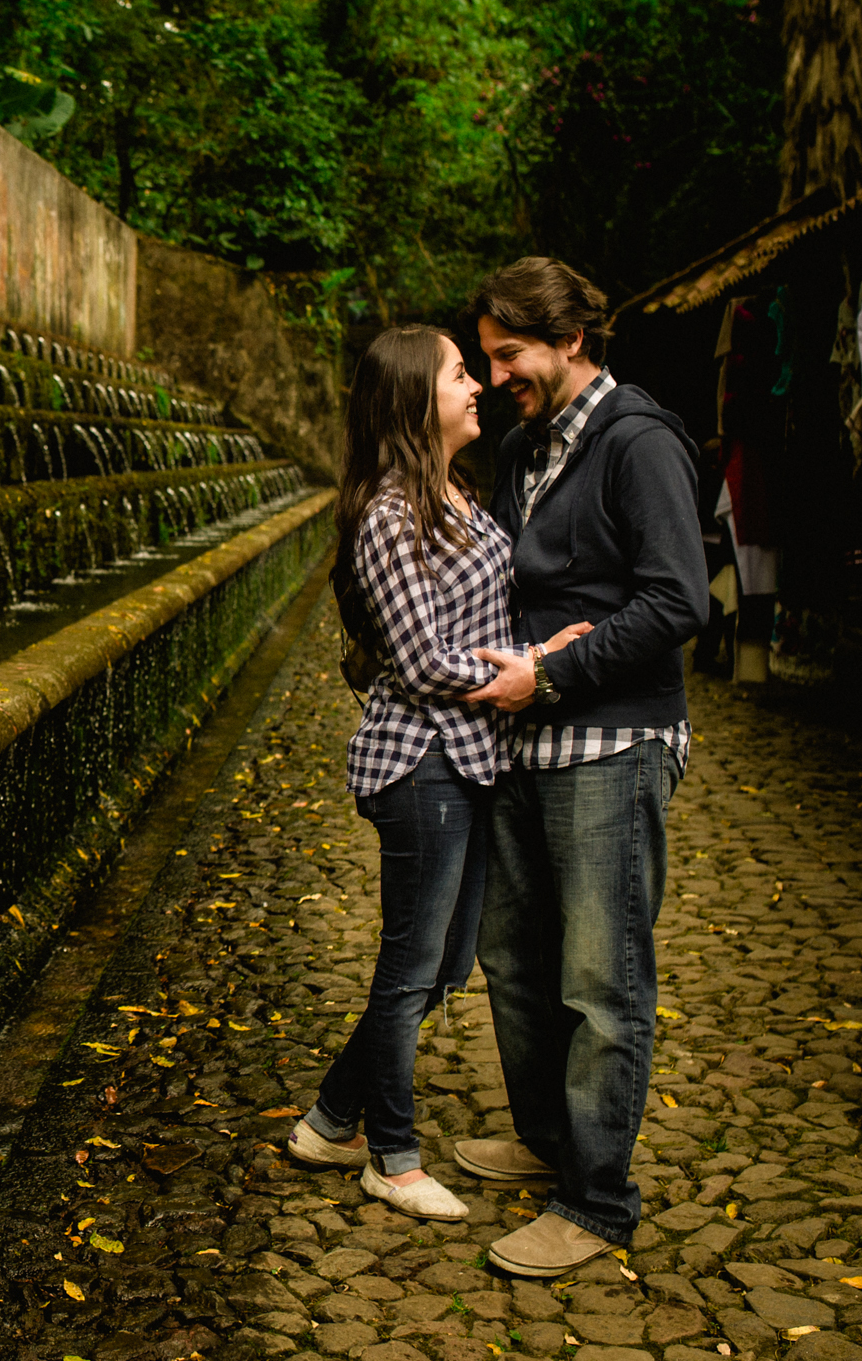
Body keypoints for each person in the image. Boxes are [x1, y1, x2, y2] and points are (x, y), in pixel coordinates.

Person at [286, 326, 585, 1220]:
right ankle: (393, 1155)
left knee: (446, 963)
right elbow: (420, 660)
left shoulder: (453, 495)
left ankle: (331, 1118)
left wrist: (538, 652)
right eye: (461, 372)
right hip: (421, 766)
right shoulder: (387, 512)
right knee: (413, 964)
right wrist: (524, 678)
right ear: (418, 396)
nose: (477, 386)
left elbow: (474, 625)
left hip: (465, 762)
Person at [456, 257, 711, 1277]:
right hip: (525, 745)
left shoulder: (638, 443)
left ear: (571, 340)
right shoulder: (522, 448)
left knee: (604, 982)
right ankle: (546, 1141)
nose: (496, 373)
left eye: (508, 354)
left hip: (612, 746)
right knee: (515, 961)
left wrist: (552, 679)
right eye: (485, 358)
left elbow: (677, 601)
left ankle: (598, 1200)